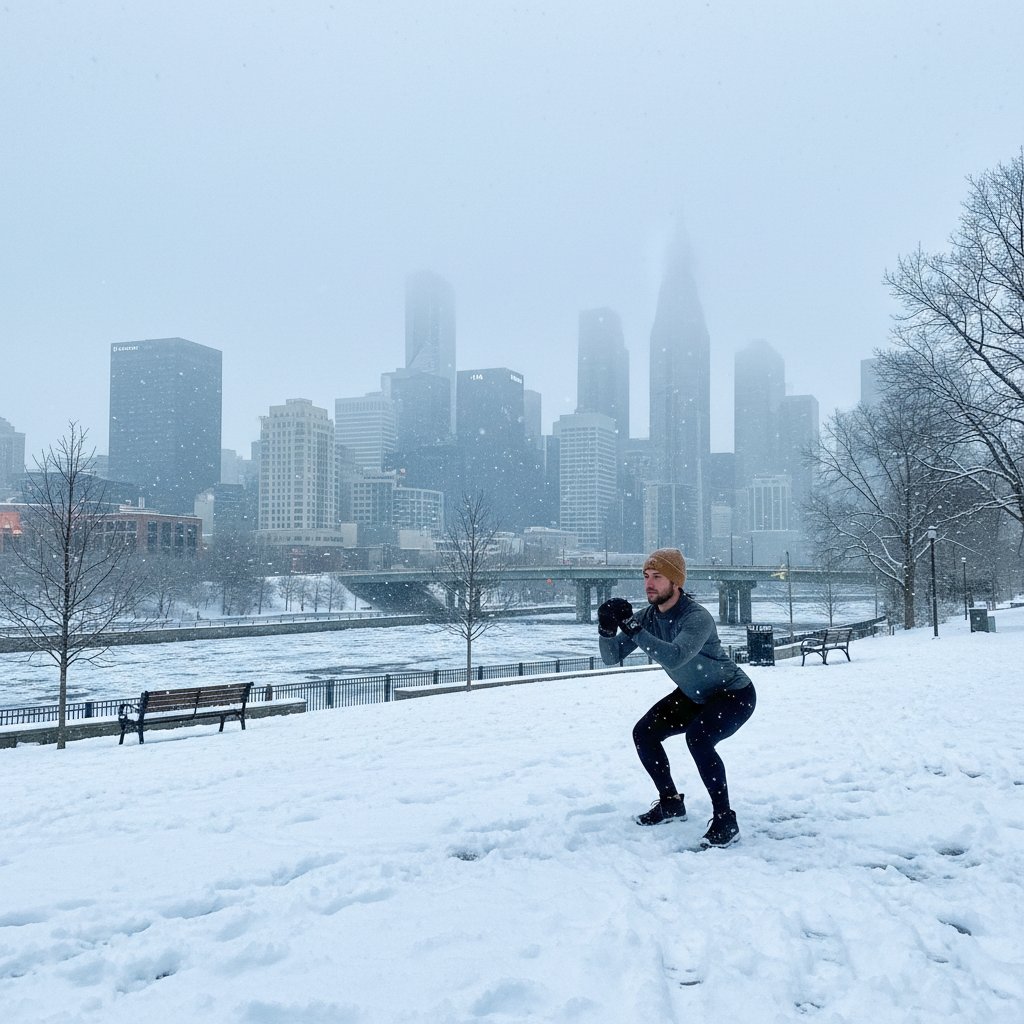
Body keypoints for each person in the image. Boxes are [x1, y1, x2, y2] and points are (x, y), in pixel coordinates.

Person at [598, 548, 756, 847]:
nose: (649, 583)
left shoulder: (696, 617)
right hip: (694, 694)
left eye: (657, 576)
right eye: (646, 576)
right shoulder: (648, 617)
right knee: (644, 733)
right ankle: (670, 802)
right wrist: (606, 629)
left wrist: (631, 627)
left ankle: (725, 820)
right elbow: (611, 656)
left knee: (699, 738)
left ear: (676, 581)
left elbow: (676, 656)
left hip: (733, 694)